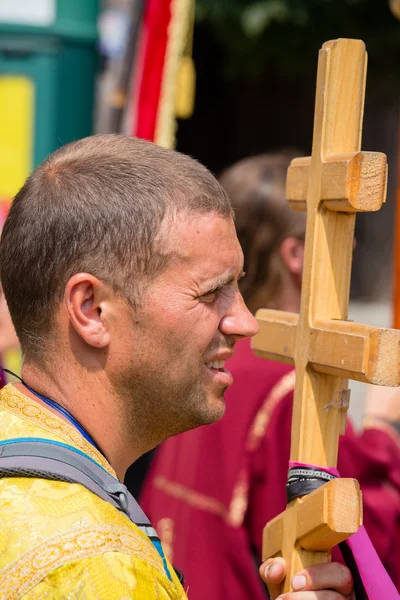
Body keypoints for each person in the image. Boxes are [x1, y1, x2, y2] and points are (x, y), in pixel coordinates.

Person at [0, 135, 362, 598]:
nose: (246, 322)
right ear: (90, 309)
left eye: (239, 286)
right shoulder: (97, 568)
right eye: (211, 293)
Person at [140, 153, 400, 599]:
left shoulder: (204, 360)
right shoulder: (291, 390)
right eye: (342, 232)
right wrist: (386, 431)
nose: (352, 248)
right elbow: (350, 538)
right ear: (295, 253)